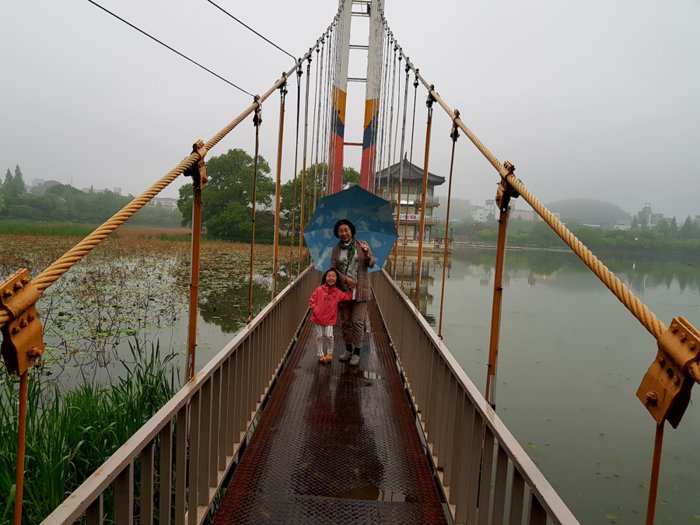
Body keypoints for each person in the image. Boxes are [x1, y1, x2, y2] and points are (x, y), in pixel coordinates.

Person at [330, 218, 376, 366]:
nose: (344, 233)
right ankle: (348, 349)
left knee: (357, 322)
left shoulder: (361, 245)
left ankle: (357, 352)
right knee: (345, 322)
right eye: (340, 231)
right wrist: (345, 280)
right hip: (343, 291)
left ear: (351, 231)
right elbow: (333, 269)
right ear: (337, 233)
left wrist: (367, 254)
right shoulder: (336, 249)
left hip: (360, 291)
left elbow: (371, 263)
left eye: (346, 230)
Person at [309, 268, 353, 364]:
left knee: (329, 336)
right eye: (329, 276)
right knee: (319, 337)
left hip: (330, 319)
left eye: (333, 276)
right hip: (318, 318)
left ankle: (329, 353)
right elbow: (312, 300)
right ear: (325, 278)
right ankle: (320, 355)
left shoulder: (337, 292)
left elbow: (347, 296)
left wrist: (350, 288)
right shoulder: (319, 290)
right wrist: (315, 310)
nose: (331, 278)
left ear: (336, 279)